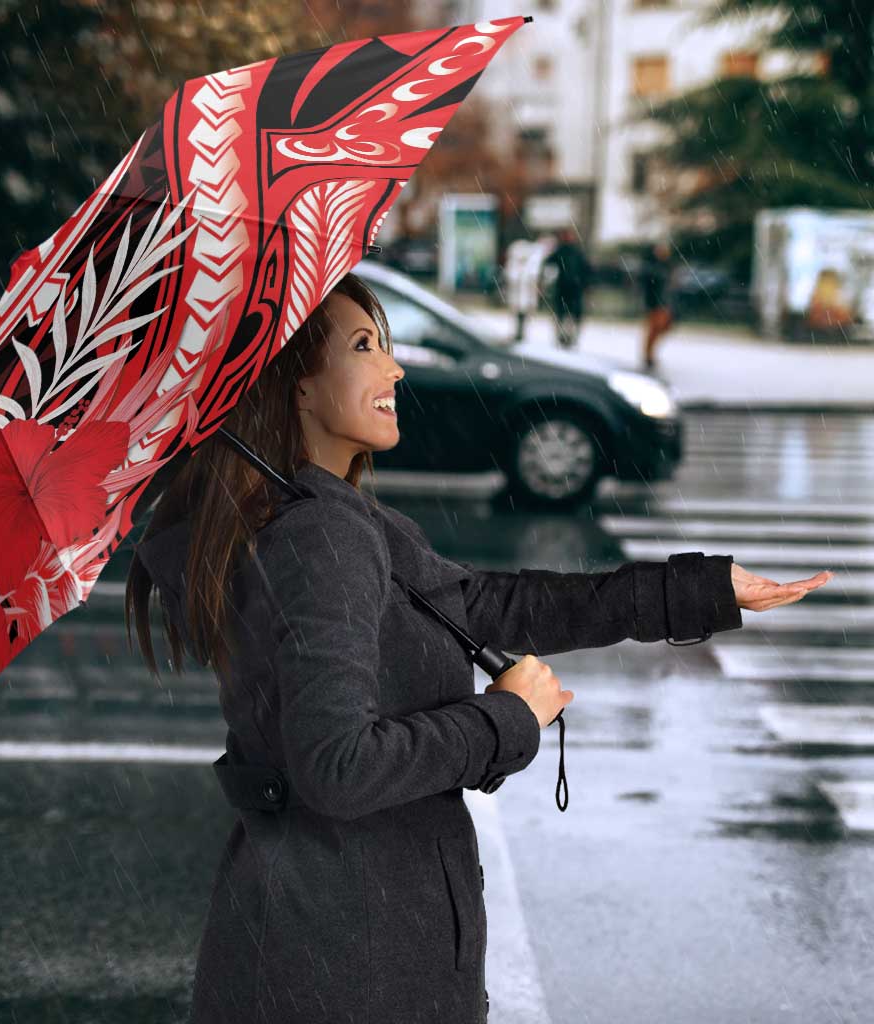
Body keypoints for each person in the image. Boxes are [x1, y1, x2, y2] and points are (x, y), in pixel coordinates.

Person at [126, 271, 830, 1024]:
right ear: (296, 384)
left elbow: (489, 606)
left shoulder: (320, 518)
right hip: (351, 963)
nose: (394, 368)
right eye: (364, 347)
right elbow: (338, 767)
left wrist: (699, 591)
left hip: (324, 941)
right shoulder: (321, 536)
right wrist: (505, 719)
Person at [542, 226, 592, 349]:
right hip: (566, 288)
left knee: (569, 315)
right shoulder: (564, 251)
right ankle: (563, 337)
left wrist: (585, 284)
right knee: (564, 314)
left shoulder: (574, 252)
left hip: (572, 289)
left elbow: (586, 270)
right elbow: (548, 263)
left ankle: (569, 337)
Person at [640, 239, 676, 371]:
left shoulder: (666, 266)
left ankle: (649, 354)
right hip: (655, 303)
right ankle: (648, 355)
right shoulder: (652, 267)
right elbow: (649, 286)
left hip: (664, 303)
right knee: (654, 329)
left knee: (662, 327)